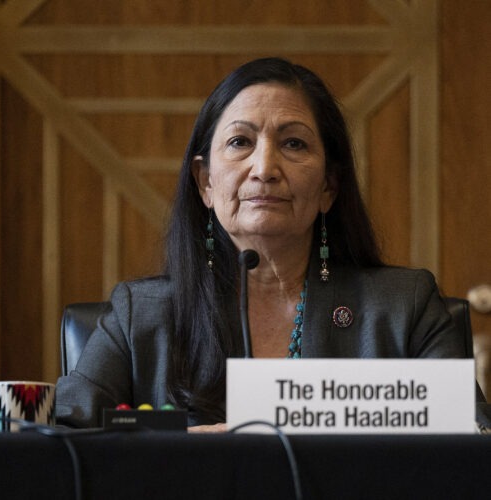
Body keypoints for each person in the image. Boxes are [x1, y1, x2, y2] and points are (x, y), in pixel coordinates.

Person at [55, 57, 467, 430]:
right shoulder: (139, 317)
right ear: (206, 183)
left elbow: (472, 442)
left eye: (293, 143)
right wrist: (178, 452)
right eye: (240, 142)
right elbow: (63, 440)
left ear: (329, 186)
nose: (265, 168)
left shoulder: (403, 309)